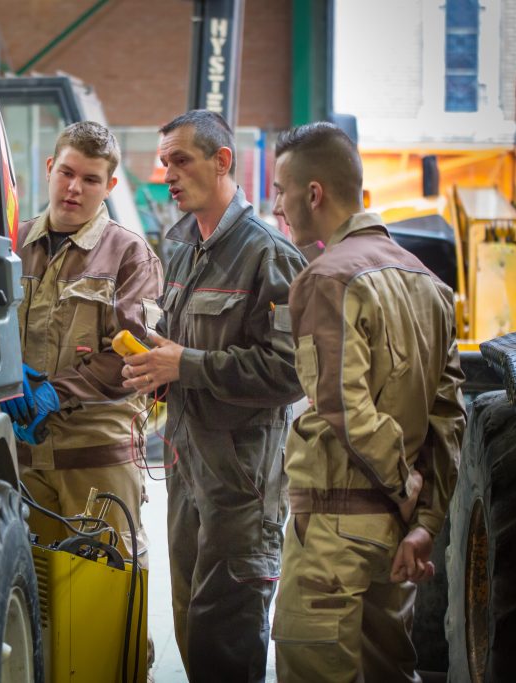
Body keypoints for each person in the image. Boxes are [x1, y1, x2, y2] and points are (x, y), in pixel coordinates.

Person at [270, 122, 467, 682]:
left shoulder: (325, 278)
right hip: (398, 542)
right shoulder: (430, 283)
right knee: (389, 670)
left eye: (282, 191)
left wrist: (407, 493)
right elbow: (448, 416)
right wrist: (423, 522)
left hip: (335, 532)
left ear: (314, 193)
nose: (278, 208)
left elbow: (344, 407)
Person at [121, 109, 307, 682]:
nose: (168, 174)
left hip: (241, 486)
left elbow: (291, 370)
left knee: (225, 642)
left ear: (221, 161)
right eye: (164, 162)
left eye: (181, 160)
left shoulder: (267, 255)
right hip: (186, 469)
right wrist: (156, 362)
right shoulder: (181, 250)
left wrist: (187, 364)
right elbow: (183, 349)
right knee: (191, 627)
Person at [0, 121, 163, 565]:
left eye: (90, 179)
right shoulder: (10, 245)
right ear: (50, 168)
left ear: (109, 186)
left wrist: (55, 392)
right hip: (23, 457)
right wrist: (6, 377)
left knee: (106, 603)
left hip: (97, 462)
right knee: (35, 601)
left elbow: (132, 355)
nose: (74, 188)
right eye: (67, 173)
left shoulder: (129, 256)